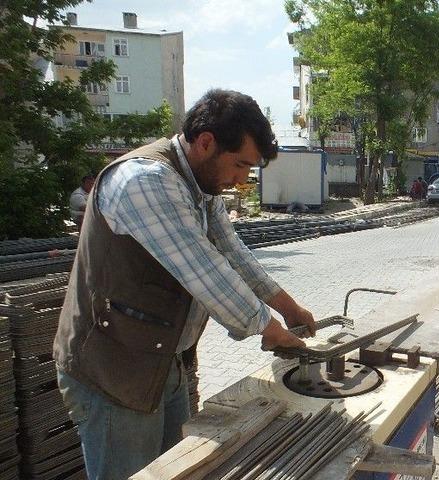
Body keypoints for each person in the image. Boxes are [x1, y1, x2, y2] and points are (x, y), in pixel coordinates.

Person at [53, 89, 317, 479]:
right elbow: (204, 272)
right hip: (114, 373)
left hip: (164, 363)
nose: (242, 180)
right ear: (206, 142)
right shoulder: (145, 181)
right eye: (240, 165)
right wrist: (271, 330)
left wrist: (289, 308)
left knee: (177, 471)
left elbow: (232, 252)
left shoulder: (200, 183)